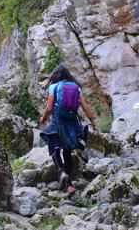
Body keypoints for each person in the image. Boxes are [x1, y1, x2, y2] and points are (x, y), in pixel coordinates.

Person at [40, 64, 99, 196]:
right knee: (67, 152)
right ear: (67, 75)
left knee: (53, 147)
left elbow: (49, 108)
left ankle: (61, 172)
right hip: (72, 123)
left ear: (55, 76)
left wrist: (43, 118)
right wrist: (93, 124)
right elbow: (85, 107)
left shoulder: (53, 87)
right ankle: (70, 186)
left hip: (57, 122)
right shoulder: (76, 87)